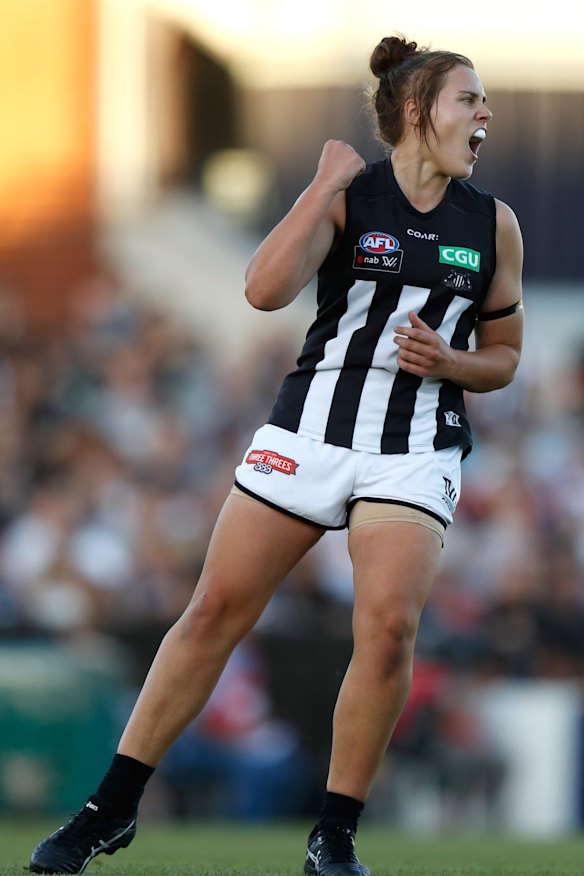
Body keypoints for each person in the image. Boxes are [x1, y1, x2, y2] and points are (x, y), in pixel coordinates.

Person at [28, 33, 524, 876]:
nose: (485, 114)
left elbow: (505, 358)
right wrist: (321, 183)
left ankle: (335, 833)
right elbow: (262, 291)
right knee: (214, 610)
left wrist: (452, 362)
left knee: (389, 629)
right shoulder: (347, 195)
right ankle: (109, 809)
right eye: (468, 98)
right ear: (416, 110)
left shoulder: (493, 223)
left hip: (412, 448)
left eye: (483, 100)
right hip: (308, 433)